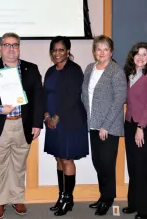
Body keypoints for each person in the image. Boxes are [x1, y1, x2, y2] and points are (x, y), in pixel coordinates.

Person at [0, 32, 43, 219]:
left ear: (19, 47)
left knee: (19, 164)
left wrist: (37, 123)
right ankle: (0, 201)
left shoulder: (31, 68)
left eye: (15, 45)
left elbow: (38, 97)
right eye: (7, 45)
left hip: (23, 124)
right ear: (0, 47)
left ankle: (17, 198)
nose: (11, 49)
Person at [81, 35, 127, 216]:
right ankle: (103, 195)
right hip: (92, 124)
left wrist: (106, 125)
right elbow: (84, 93)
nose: (101, 52)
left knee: (107, 163)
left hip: (108, 126)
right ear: (94, 51)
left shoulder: (116, 71)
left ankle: (108, 199)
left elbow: (119, 100)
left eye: (105, 49)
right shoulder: (89, 68)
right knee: (97, 161)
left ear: (111, 52)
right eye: (98, 49)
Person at [43, 36, 88, 216]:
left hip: (69, 121)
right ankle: (61, 196)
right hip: (52, 122)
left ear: (68, 51)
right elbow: (44, 93)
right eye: (54, 50)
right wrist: (46, 115)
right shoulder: (50, 71)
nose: (57, 53)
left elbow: (72, 96)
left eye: (61, 50)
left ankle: (68, 199)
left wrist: (56, 117)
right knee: (59, 158)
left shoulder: (74, 70)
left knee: (67, 159)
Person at [122, 42, 147, 219]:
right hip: (130, 124)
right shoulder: (130, 73)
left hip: (144, 126)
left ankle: (146, 210)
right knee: (133, 166)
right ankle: (134, 203)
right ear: (132, 56)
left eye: (145, 54)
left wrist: (141, 127)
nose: (141, 57)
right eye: (138, 54)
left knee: (143, 167)